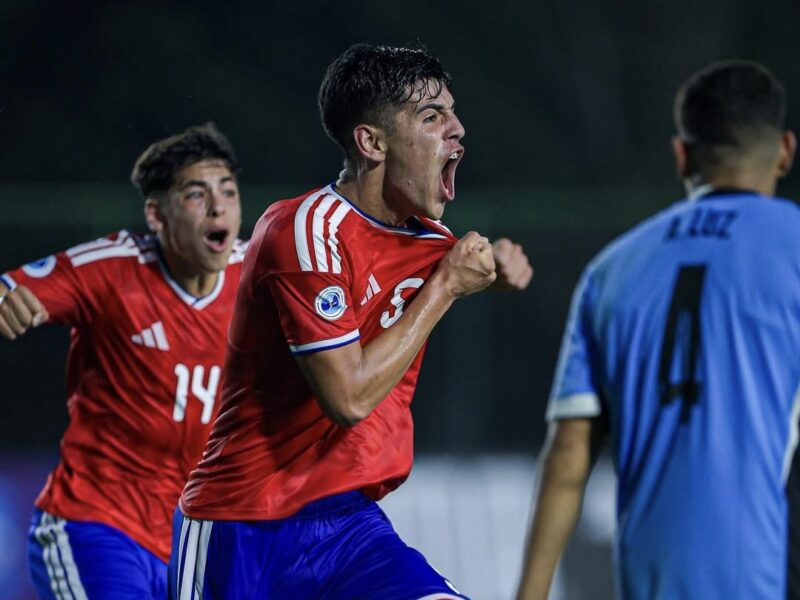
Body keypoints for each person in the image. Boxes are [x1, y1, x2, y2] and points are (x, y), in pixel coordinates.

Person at [170, 43, 532, 599]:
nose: (457, 130)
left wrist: (499, 272)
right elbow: (348, 397)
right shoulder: (303, 231)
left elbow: (464, 270)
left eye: (453, 113)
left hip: (349, 529)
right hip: (243, 528)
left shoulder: (433, 244)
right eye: (432, 116)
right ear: (371, 142)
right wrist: (447, 287)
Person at [515, 59, 800, 600]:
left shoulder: (611, 270)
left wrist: (528, 594)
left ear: (682, 155)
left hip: (650, 583)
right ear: (785, 150)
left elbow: (569, 454)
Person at [0, 123, 246, 599]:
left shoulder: (258, 277)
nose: (219, 207)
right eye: (197, 194)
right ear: (156, 214)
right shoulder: (113, 267)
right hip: (97, 525)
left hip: (196, 542)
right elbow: (13, 288)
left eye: (229, 191)